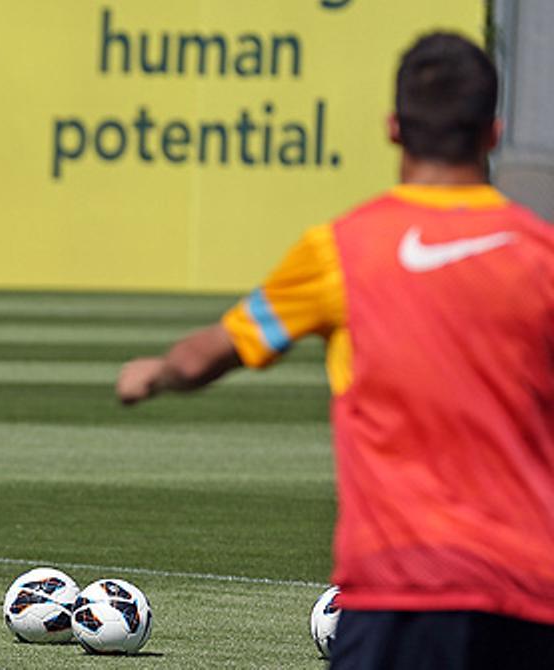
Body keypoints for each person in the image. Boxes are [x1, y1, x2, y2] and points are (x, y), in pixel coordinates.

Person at [116, 32, 554, 668]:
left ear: (393, 128)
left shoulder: (341, 249)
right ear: (494, 132)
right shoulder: (540, 255)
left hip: (397, 588)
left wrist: (156, 373)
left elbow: (210, 353)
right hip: (526, 592)